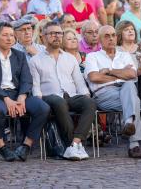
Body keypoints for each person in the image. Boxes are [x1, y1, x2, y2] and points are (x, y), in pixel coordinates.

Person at [0, 22, 50, 162]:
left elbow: (27, 80)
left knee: (43, 107)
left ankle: (26, 146)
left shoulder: (20, 56)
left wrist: (22, 97)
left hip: (17, 94)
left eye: (11, 35)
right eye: (5, 35)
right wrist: (6, 99)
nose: (9, 38)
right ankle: (1, 147)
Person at [29, 22, 96, 160]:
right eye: (52, 33)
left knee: (89, 102)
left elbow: (79, 83)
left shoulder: (70, 58)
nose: (56, 36)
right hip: (49, 97)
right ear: (43, 37)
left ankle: (74, 144)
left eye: (59, 33)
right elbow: (35, 87)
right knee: (59, 102)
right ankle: (75, 145)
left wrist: (86, 95)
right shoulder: (35, 60)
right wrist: (40, 102)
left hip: (70, 96)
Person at [84, 25, 141, 158]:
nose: (111, 38)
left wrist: (109, 71)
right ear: (100, 39)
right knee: (135, 101)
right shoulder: (92, 56)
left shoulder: (124, 55)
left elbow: (132, 75)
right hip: (104, 95)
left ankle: (129, 123)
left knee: (129, 86)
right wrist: (121, 74)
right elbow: (94, 77)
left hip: (125, 89)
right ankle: (134, 145)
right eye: (107, 36)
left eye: (113, 35)